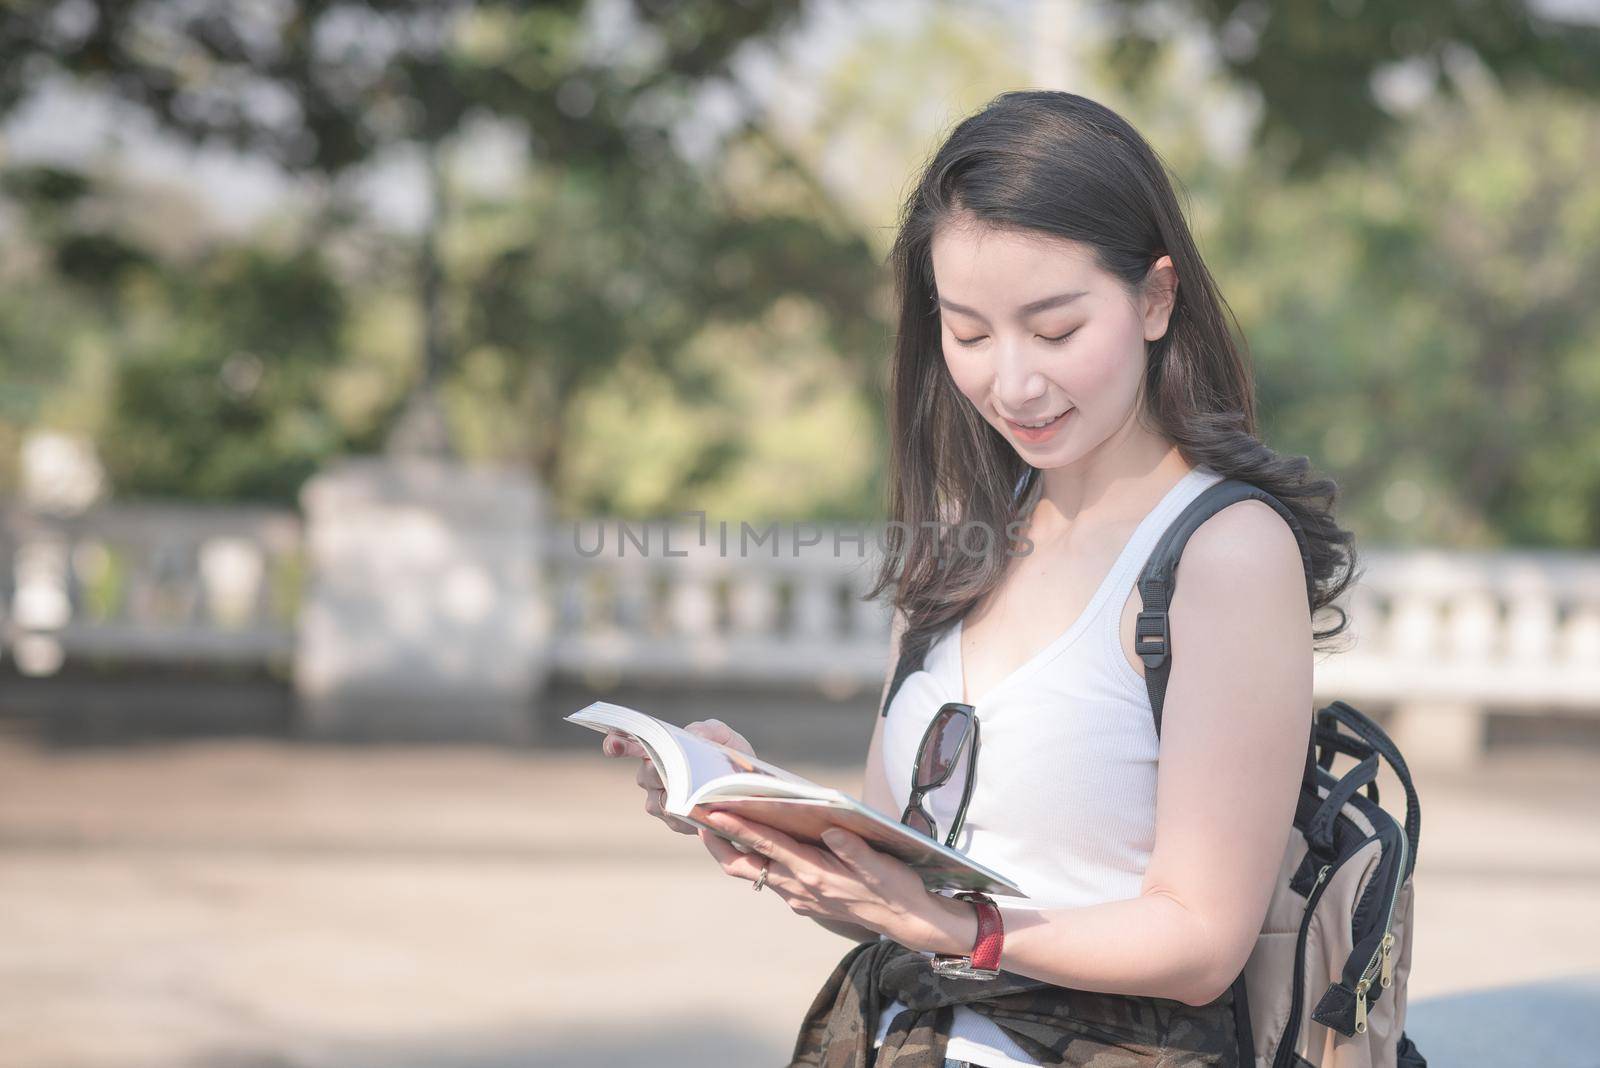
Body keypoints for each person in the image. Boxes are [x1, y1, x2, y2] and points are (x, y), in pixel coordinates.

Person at [602, 89, 1358, 1068]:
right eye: (968, 334)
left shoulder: (1223, 551)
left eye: (1053, 331)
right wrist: (757, 810)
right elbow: (900, 894)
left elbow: (1201, 941)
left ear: (1156, 298)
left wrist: (970, 933)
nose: (1011, 382)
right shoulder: (962, 538)